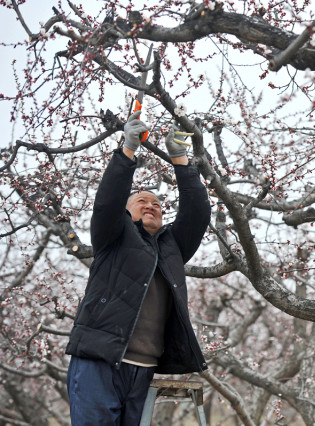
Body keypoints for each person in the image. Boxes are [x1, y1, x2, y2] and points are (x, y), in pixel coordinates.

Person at [65, 111, 211, 425]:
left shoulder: (172, 247)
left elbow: (197, 215)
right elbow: (107, 203)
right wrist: (127, 151)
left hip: (143, 370)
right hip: (99, 360)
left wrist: (180, 158)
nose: (150, 205)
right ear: (126, 212)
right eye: (141, 201)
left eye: (157, 204)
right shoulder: (113, 236)